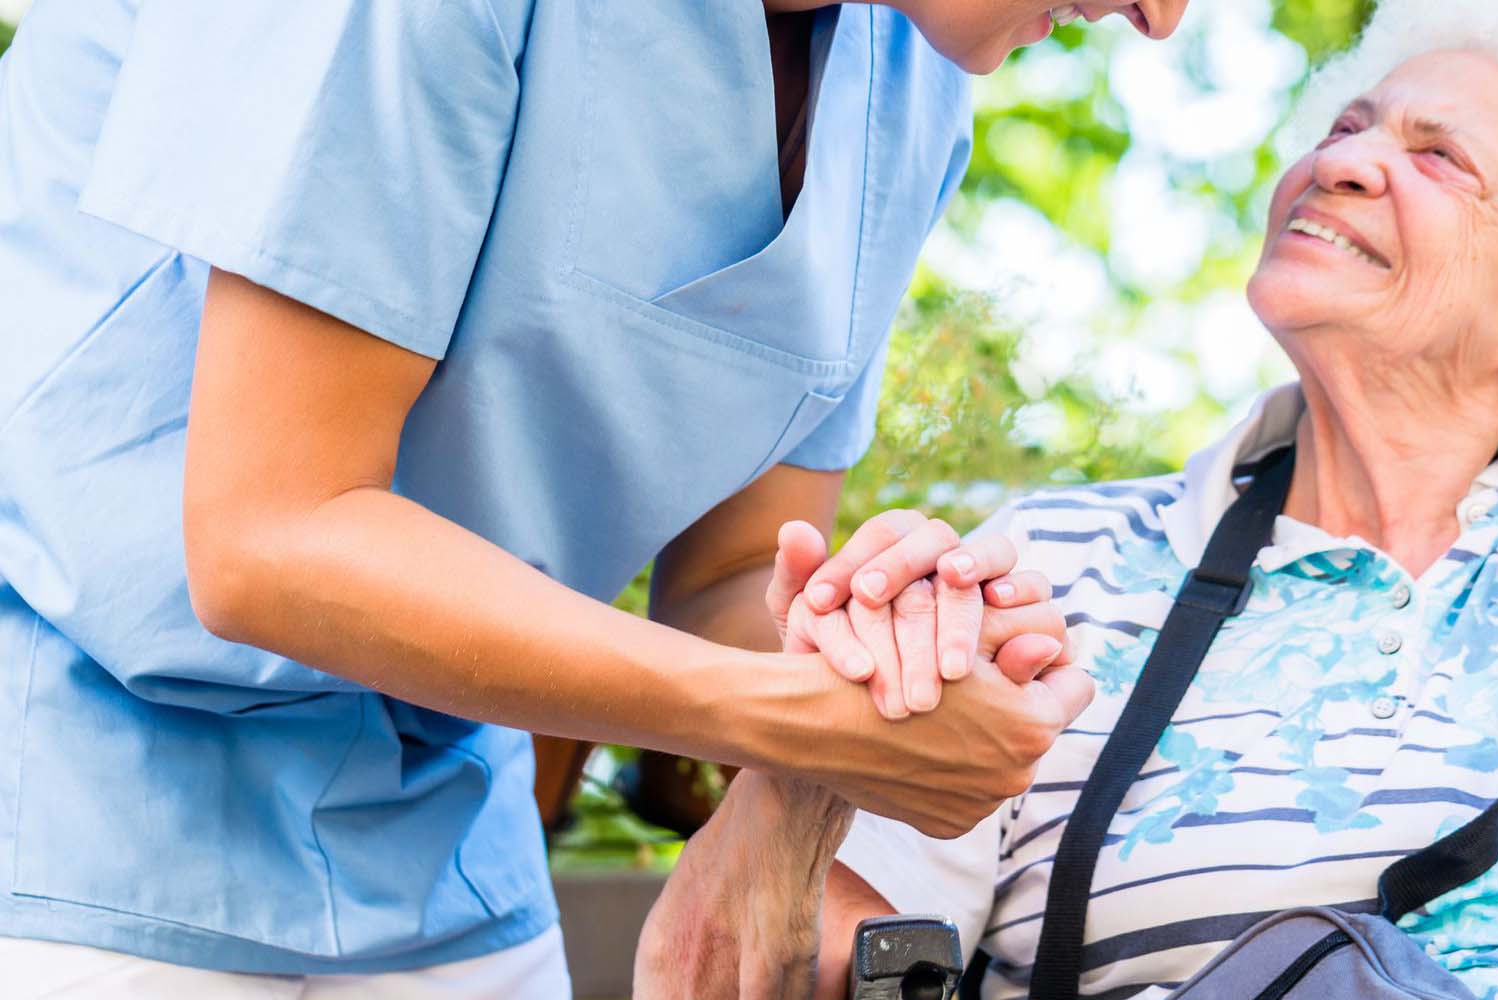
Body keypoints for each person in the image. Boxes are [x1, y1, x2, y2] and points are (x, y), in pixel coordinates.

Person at [636, 2, 1498, 998]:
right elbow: (760, 974)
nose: (1351, 162)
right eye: (1348, 126)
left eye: (1440, 159)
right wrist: (806, 765)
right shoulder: (1056, 563)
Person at [0, 0, 1190, 995]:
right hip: (73, 798)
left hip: (445, 846)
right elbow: (270, 536)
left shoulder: (905, 90)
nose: (1164, 15)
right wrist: (779, 719)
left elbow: (729, 578)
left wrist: (887, 650)